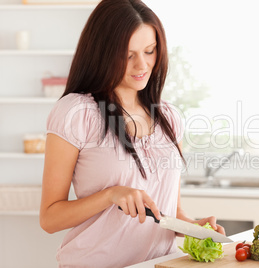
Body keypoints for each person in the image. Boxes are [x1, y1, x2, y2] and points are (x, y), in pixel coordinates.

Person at [39, 0, 225, 267]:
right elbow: (49, 218)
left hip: (159, 264)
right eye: (128, 55)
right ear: (102, 53)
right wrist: (110, 194)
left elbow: (169, 212)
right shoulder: (76, 112)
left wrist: (194, 226)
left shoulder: (169, 118)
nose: (142, 65)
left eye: (150, 51)